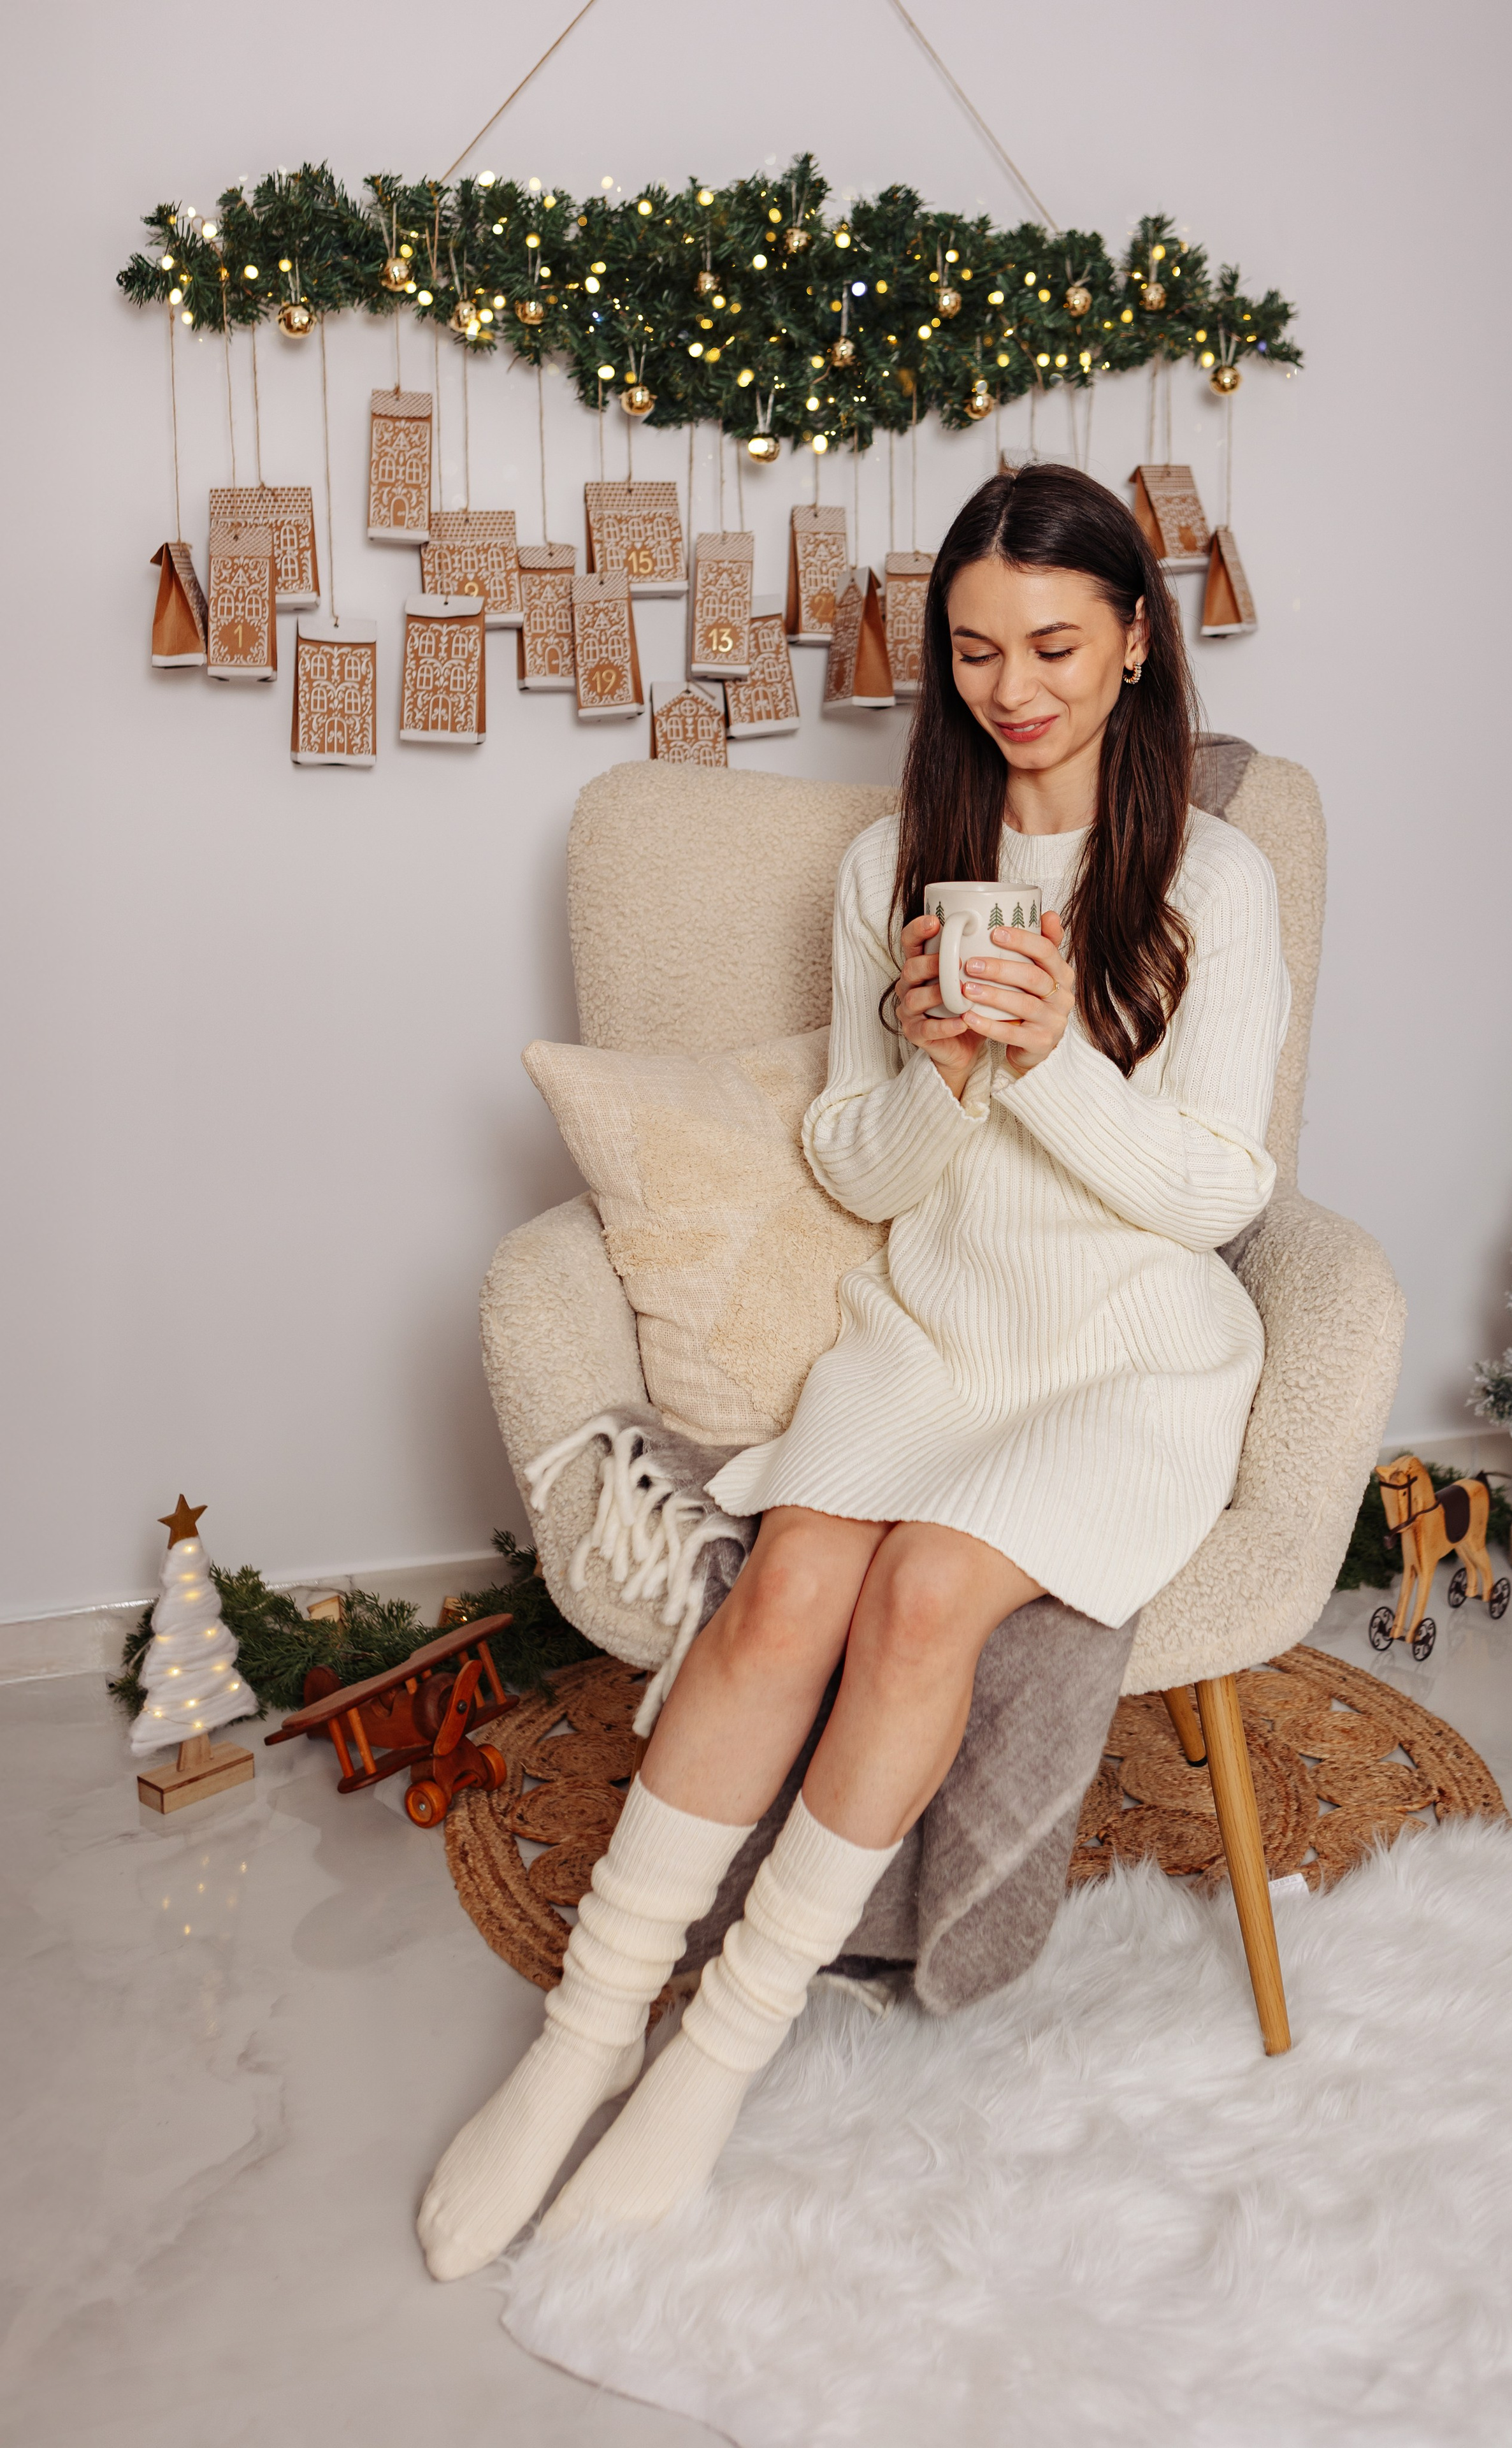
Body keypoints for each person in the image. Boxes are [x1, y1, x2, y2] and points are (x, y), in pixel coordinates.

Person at [417, 462, 1290, 2278]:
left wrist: (1050, 1059)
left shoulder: (1220, 879)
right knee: (790, 1582)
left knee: (913, 1609)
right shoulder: (889, 867)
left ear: (1136, 639)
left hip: (1128, 1356)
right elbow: (857, 1168)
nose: (1012, 686)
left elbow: (1219, 1193)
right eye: (975, 651)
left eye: (1054, 642)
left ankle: (713, 2060)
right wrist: (933, 1068)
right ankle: (585, 2036)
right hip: (941, 1327)